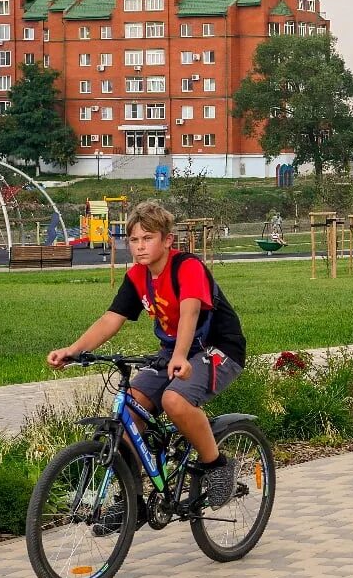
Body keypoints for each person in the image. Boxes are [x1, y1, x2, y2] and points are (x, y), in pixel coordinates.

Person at [47, 201, 247, 508]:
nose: (140, 247)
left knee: (174, 400)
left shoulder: (187, 267)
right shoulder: (138, 276)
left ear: (167, 240)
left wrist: (179, 356)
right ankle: (131, 500)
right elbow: (111, 318)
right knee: (130, 410)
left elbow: (190, 312)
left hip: (217, 348)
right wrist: (73, 351)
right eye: (134, 240)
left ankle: (217, 465)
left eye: (148, 238)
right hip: (173, 351)